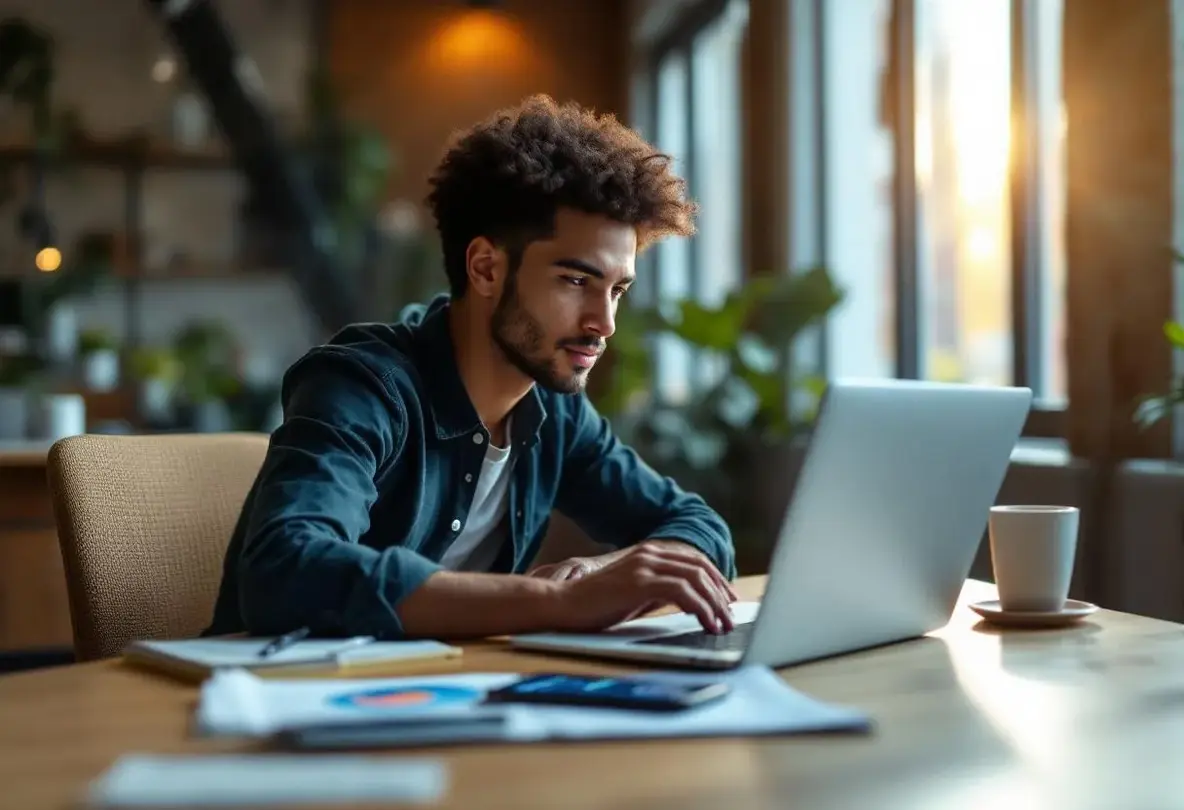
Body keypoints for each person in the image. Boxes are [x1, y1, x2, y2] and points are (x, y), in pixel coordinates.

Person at [205, 95, 737, 642]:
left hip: (449, 700)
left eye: (616, 290)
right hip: (271, 702)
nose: (604, 324)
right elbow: (286, 571)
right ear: (486, 268)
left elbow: (700, 529)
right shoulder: (364, 387)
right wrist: (556, 601)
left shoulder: (555, 410)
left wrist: (597, 577)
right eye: (576, 282)